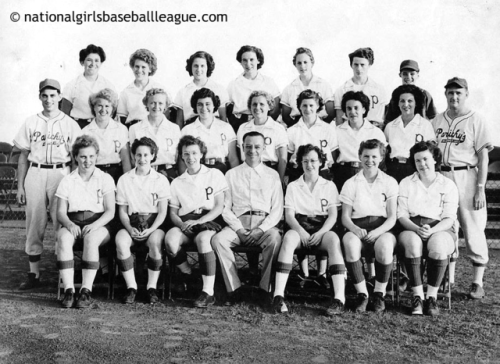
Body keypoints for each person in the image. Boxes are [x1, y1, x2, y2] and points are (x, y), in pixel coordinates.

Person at [14, 79, 81, 290]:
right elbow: (23, 156)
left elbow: (77, 156)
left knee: (60, 221)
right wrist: (19, 186)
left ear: (60, 97)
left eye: (53, 95)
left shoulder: (70, 123)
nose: (49, 99)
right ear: (39, 97)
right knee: (34, 222)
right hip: (35, 171)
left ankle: (62, 273)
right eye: (45, 95)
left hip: (61, 172)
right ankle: (33, 274)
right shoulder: (30, 121)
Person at [432, 77, 493, 299]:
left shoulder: (476, 119)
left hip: (467, 174)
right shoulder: (437, 120)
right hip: (442, 175)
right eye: (450, 93)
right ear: (445, 94)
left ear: (466, 94)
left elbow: (483, 157)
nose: (454, 97)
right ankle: (448, 278)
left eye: (458, 93)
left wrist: (480, 188)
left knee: (473, 227)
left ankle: (477, 282)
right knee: (446, 225)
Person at [272, 144, 346, 315]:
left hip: (322, 228)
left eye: (313, 160)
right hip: (300, 228)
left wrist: (320, 233)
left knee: (334, 240)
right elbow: (289, 216)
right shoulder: (293, 186)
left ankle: (339, 298)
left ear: (320, 162)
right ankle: (278, 296)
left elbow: (333, 216)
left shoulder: (329, 185)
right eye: (305, 161)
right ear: (300, 163)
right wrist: (301, 231)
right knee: (289, 238)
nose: (309, 164)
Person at [211, 131, 283, 305]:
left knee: (274, 239)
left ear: (264, 148)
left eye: (257, 146)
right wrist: (239, 229)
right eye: (248, 146)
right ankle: (234, 289)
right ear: (242, 148)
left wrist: (261, 229)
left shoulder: (272, 175)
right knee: (218, 240)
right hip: (238, 224)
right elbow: (225, 208)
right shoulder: (231, 174)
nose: (252, 150)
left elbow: (277, 209)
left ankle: (265, 290)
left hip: (264, 225)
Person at [164, 136, 228, 308]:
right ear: (182, 157)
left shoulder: (214, 174)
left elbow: (219, 206)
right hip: (186, 223)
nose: (190, 157)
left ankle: (208, 292)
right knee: (170, 241)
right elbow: (173, 213)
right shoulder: (177, 182)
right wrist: (181, 224)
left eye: (194, 153)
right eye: (186, 154)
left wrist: (200, 220)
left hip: (207, 220)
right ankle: (190, 276)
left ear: (201, 154)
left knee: (202, 239)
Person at [398, 141, 459, 316]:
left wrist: (432, 231)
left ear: (434, 159)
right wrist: (416, 229)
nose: (422, 164)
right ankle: (417, 296)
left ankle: (431, 297)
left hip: (440, 228)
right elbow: (401, 215)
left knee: (439, 246)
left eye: (425, 159)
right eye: (418, 161)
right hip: (412, 227)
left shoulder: (447, 184)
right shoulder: (406, 183)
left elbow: (449, 217)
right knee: (412, 243)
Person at [55, 135, 116, 308]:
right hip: (73, 222)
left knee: (91, 239)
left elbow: (111, 211)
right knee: (64, 238)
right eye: (82, 156)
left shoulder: (105, 178)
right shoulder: (68, 180)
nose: (87, 161)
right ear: (75, 157)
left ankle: (85, 291)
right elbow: (60, 212)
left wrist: (95, 225)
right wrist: (69, 224)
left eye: (91, 156)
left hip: (98, 223)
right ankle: (68, 290)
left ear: (96, 156)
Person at [341, 139, 398, 313]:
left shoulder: (389, 182)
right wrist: (355, 229)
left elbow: (392, 217)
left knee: (385, 246)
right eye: (366, 156)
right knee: (350, 244)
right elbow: (345, 216)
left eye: (374, 156)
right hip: (357, 227)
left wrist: (378, 232)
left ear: (381, 158)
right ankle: (363, 294)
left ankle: (379, 294)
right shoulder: (351, 183)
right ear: (359, 156)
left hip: (383, 228)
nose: (369, 160)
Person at [115, 137, 170, 304]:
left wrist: (151, 229)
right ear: (133, 156)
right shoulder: (125, 179)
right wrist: (130, 229)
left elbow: (162, 212)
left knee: (155, 242)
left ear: (153, 156)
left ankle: (151, 287)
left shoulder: (161, 179)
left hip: (153, 223)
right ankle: (131, 287)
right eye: (138, 155)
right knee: (121, 241)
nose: (142, 159)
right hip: (131, 222)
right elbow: (122, 211)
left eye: (146, 155)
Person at [333, 91, 387, 191]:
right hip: (343, 173)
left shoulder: (375, 131)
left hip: (367, 172)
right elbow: (334, 156)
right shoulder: (337, 131)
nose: (352, 112)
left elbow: (382, 159)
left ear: (364, 109)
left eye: (356, 108)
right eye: (349, 108)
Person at [383, 84, 435, 183]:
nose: (406, 105)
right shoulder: (390, 126)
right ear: (397, 103)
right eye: (402, 101)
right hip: (393, 170)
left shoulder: (425, 125)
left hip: (415, 169)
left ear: (416, 103)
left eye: (410, 101)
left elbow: (431, 152)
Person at [181, 88, 239, 174]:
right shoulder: (187, 130)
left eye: (207, 104)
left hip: (223, 169)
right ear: (195, 106)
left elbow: (233, 158)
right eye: (200, 104)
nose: (204, 108)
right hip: (198, 170)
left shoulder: (226, 127)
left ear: (214, 105)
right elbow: (182, 161)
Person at [129, 88, 181, 182]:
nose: (156, 106)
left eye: (160, 103)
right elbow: (132, 158)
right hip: (144, 173)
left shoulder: (174, 128)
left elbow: (178, 157)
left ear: (166, 105)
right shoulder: (135, 129)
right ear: (147, 104)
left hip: (168, 173)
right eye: (152, 102)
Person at [237, 90, 288, 184]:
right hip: (247, 172)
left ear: (269, 106)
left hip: (270, 172)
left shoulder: (278, 128)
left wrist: (279, 182)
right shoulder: (243, 128)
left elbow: (283, 159)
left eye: (262, 104)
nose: (257, 107)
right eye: (254, 104)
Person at [287, 89, 338, 183]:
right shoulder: (291, 131)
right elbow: (288, 156)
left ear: (317, 106)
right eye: (304, 105)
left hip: (322, 173)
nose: (308, 109)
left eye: (311, 105)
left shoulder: (329, 129)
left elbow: (334, 155)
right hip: (298, 173)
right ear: (299, 107)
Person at [227, 45, 281, 132]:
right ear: (240, 62)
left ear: (258, 60)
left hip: (264, 123)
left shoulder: (268, 82)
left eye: (251, 59)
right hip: (241, 123)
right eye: (244, 60)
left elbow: (276, 107)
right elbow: (227, 108)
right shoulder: (234, 84)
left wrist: (265, 122)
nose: (248, 64)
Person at [82, 88, 131, 183]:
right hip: (95, 173)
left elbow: (125, 158)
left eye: (107, 106)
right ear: (94, 107)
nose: (103, 110)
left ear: (112, 108)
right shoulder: (85, 132)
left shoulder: (121, 129)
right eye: (99, 106)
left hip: (117, 172)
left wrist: (127, 181)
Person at [63, 44, 116, 129]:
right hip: (77, 126)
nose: (93, 64)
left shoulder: (108, 85)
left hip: (100, 127)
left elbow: (113, 111)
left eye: (96, 60)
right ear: (82, 62)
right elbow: (64, 113)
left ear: (101, 63)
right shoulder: (72, 85)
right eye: (89, 60)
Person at [173, 51, 229, 128]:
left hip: (214, 128)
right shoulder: (183, 91)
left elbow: (223, 117)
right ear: (191, 67)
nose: (199, 69)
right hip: (191, 130)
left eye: (202, 66)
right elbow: (179, 121)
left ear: (208, 67)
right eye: (196, 66)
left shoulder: (219, 89)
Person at [334, 47, 388, 127]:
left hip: (373, 129)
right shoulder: (342, 90)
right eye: (356, 64)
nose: (359, 68)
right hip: (350, 129)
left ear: (369, 65)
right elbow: (339, 117)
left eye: (362, 65)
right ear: (351, 65)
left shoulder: (379, 89)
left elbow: (382, 117)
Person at [117, 49, 172, 127]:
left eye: (143, 67)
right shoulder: (126, 92)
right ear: (132, 67)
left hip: (155, 128)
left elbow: (167, 114)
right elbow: (122, 119)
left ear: (150, 69)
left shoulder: (160, 89)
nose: (139, 70)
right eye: (137, 66)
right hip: (134, 130)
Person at [281, 47, 334, 126]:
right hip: (297, 126)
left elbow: (331, 112)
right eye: (299, 63)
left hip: (320, 125)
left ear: (312, 63)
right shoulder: (289, 88)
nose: (302, 66)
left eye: (305, 62)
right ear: (295, 65)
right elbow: (285, 116)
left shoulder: (323, 85)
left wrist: (320, 127)